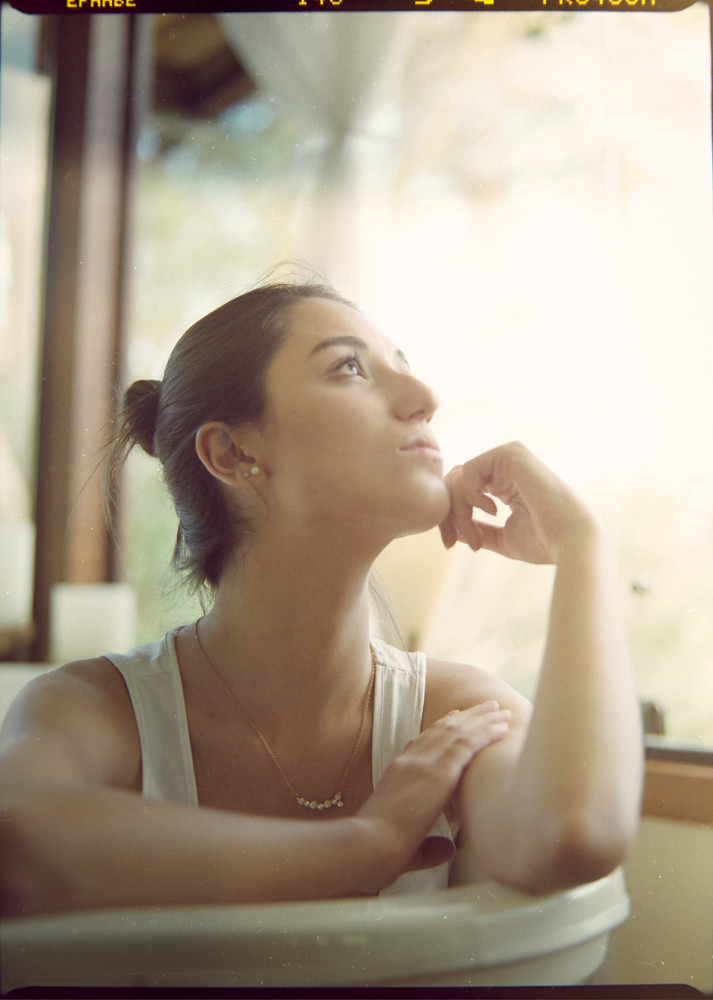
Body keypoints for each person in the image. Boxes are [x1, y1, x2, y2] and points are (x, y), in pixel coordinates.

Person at [0, 278, 643, 917]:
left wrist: (582, 545)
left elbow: (571, 835)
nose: (425, 397)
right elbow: (17, 850)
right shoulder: (91, 710)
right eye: (350, 367)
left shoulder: (455, 715)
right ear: (233, 451)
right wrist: (360, 847)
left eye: (406, 367)